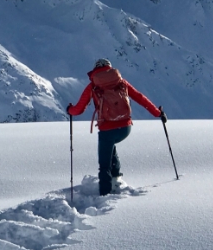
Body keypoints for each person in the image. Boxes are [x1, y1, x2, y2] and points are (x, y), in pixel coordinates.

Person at [67, 58, 167, 196]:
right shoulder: (121, 82)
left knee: (104, 165)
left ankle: (105, 195)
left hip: (107, 130)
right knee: (111, 148)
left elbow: (78, 109)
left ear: (95, 70)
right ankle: (116, 180)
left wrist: (70, 110)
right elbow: (140, 97)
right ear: (110, 68)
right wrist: (158, 112)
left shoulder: (93, 86)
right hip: (125, 128)